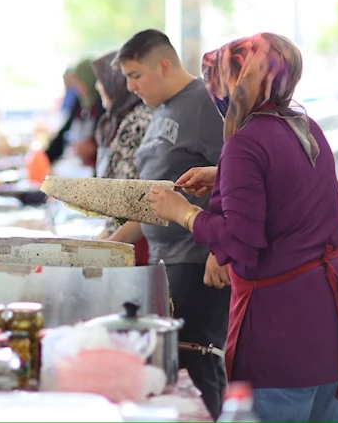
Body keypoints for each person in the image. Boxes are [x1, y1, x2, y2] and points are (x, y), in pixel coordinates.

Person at [146, 33, 338, 422]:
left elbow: (240, 242)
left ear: (235, 85)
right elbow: (286, 184)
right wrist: (223, 175)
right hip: (335, 321)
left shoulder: (244, 143)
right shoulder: (305, 126)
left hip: (285, 331)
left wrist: (182, 212)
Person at [107, 29, 229, 419]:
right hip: (164, 261)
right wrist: (109, 244)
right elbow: (153, 202)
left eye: (136, 76)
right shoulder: (160, 109)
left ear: (163, 66)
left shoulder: (205, 105)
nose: (130, 86)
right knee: (174, 371)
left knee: (199, 367)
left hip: (196, 260)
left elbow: (236, 179)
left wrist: (221, 248)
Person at [90, 51, 153, 266]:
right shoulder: (119, 119)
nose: (97, 86)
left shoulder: (136, 122)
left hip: (133, 241)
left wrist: (105, 243)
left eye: (101, 80)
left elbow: (126, 198)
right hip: (127, 236)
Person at [46, 58, 105, 171]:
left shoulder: (103, 104)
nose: (76, 86)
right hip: (77, 167)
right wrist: (47, 156)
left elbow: (102, 142)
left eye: (79, 81)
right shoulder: (80, 102)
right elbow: (64, 132)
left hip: (96, 169)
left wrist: (92, 147)